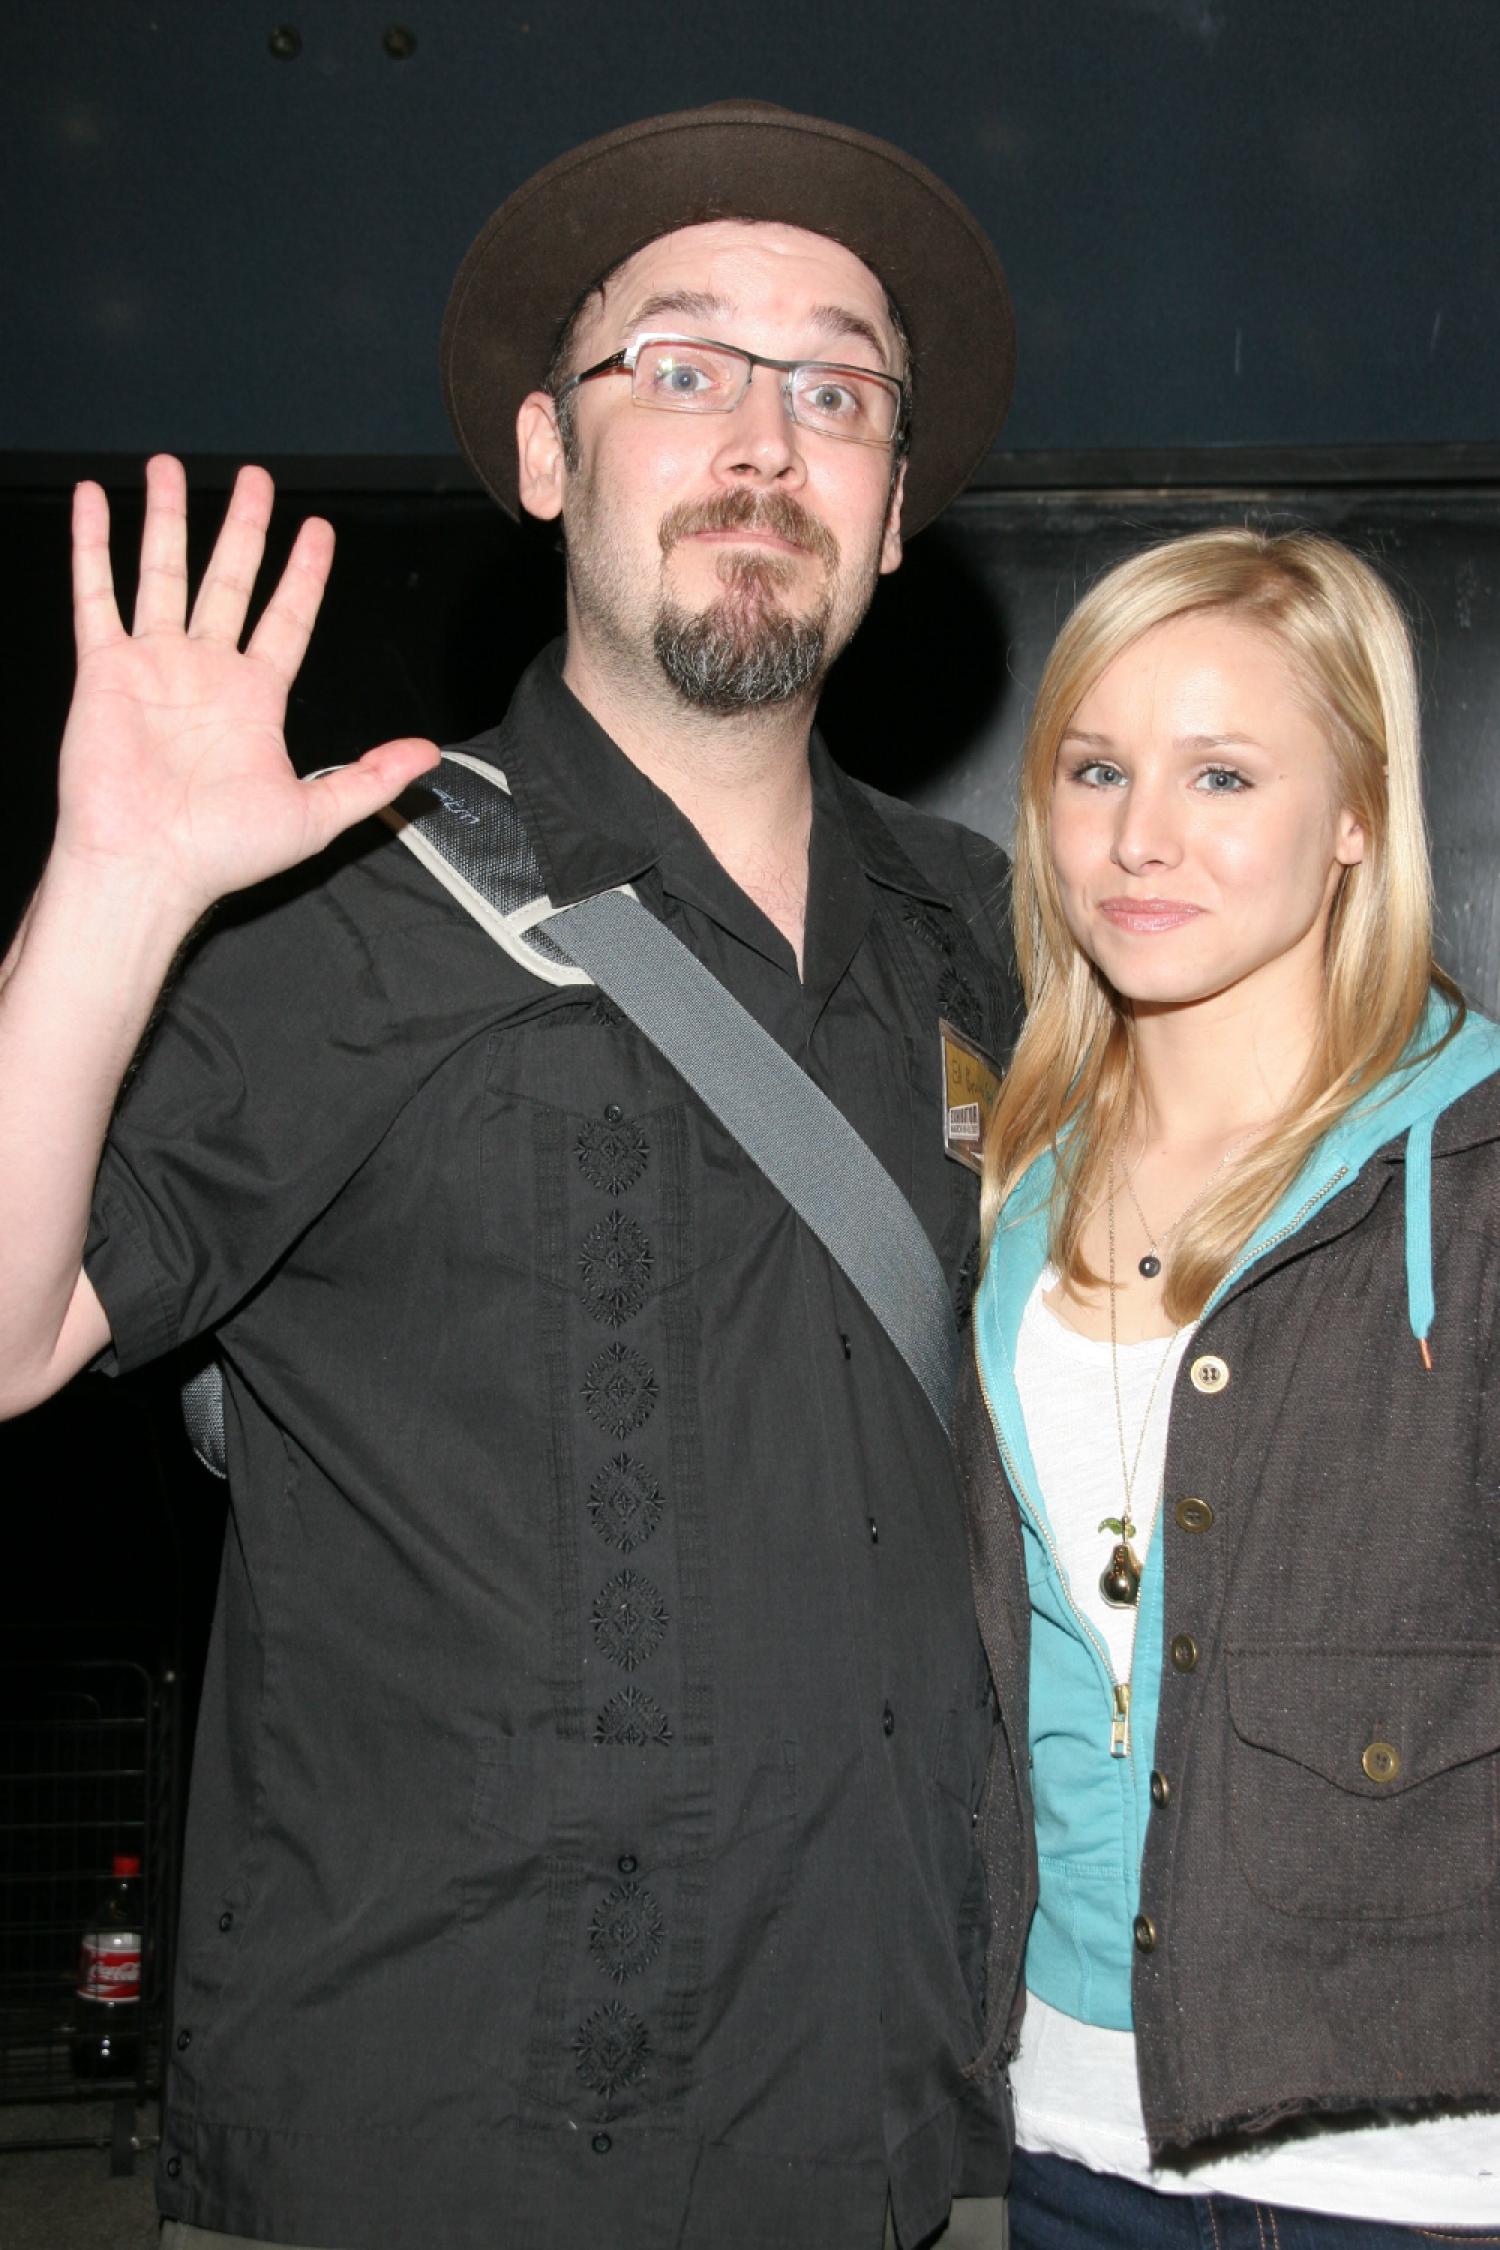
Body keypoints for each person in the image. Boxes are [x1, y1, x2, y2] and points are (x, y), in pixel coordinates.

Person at [0, 104, 1022, 2250]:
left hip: (893, 2134)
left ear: (894, 507)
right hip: (427, 2144)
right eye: (684, 364)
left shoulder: (992, 944)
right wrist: (109, 893)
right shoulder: (340, 897)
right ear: (550, 456)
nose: (766, 440)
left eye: (839, 391)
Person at [956, 525, 1500, 2246]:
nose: (1140, 836)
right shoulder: (1006, 1184)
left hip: (1406, 2164)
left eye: (1223, 774)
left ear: (1356, 816)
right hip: (1060, 2138)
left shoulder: (1477, 1174)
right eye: (1096, 769)